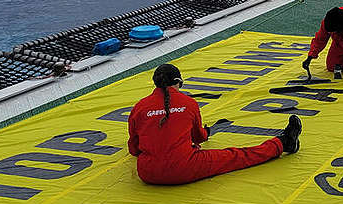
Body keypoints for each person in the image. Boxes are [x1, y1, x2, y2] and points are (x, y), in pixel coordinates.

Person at [128, 63, 301, 186]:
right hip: (184, 169)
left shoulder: (140, 107)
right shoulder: (189, 103)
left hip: (148, 173)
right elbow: (199, 137)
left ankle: (284, 143)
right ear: (178, 82)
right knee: (237, 156)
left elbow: (134, 148)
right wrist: (201, 135)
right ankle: (283, 143)